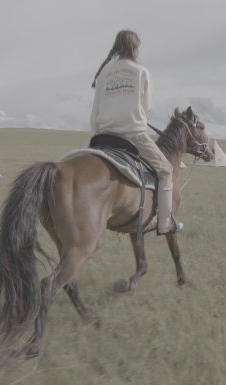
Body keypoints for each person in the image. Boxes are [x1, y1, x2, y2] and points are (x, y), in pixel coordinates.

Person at [90, 30, 181, 235]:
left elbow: (95, 110)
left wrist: (92, 138)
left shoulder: (104, 73)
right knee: (166, 169)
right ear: (135, 48)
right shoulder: (141, 72)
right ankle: (165, 221)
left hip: (104, 136)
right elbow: (146, 106)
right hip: (133, 134)